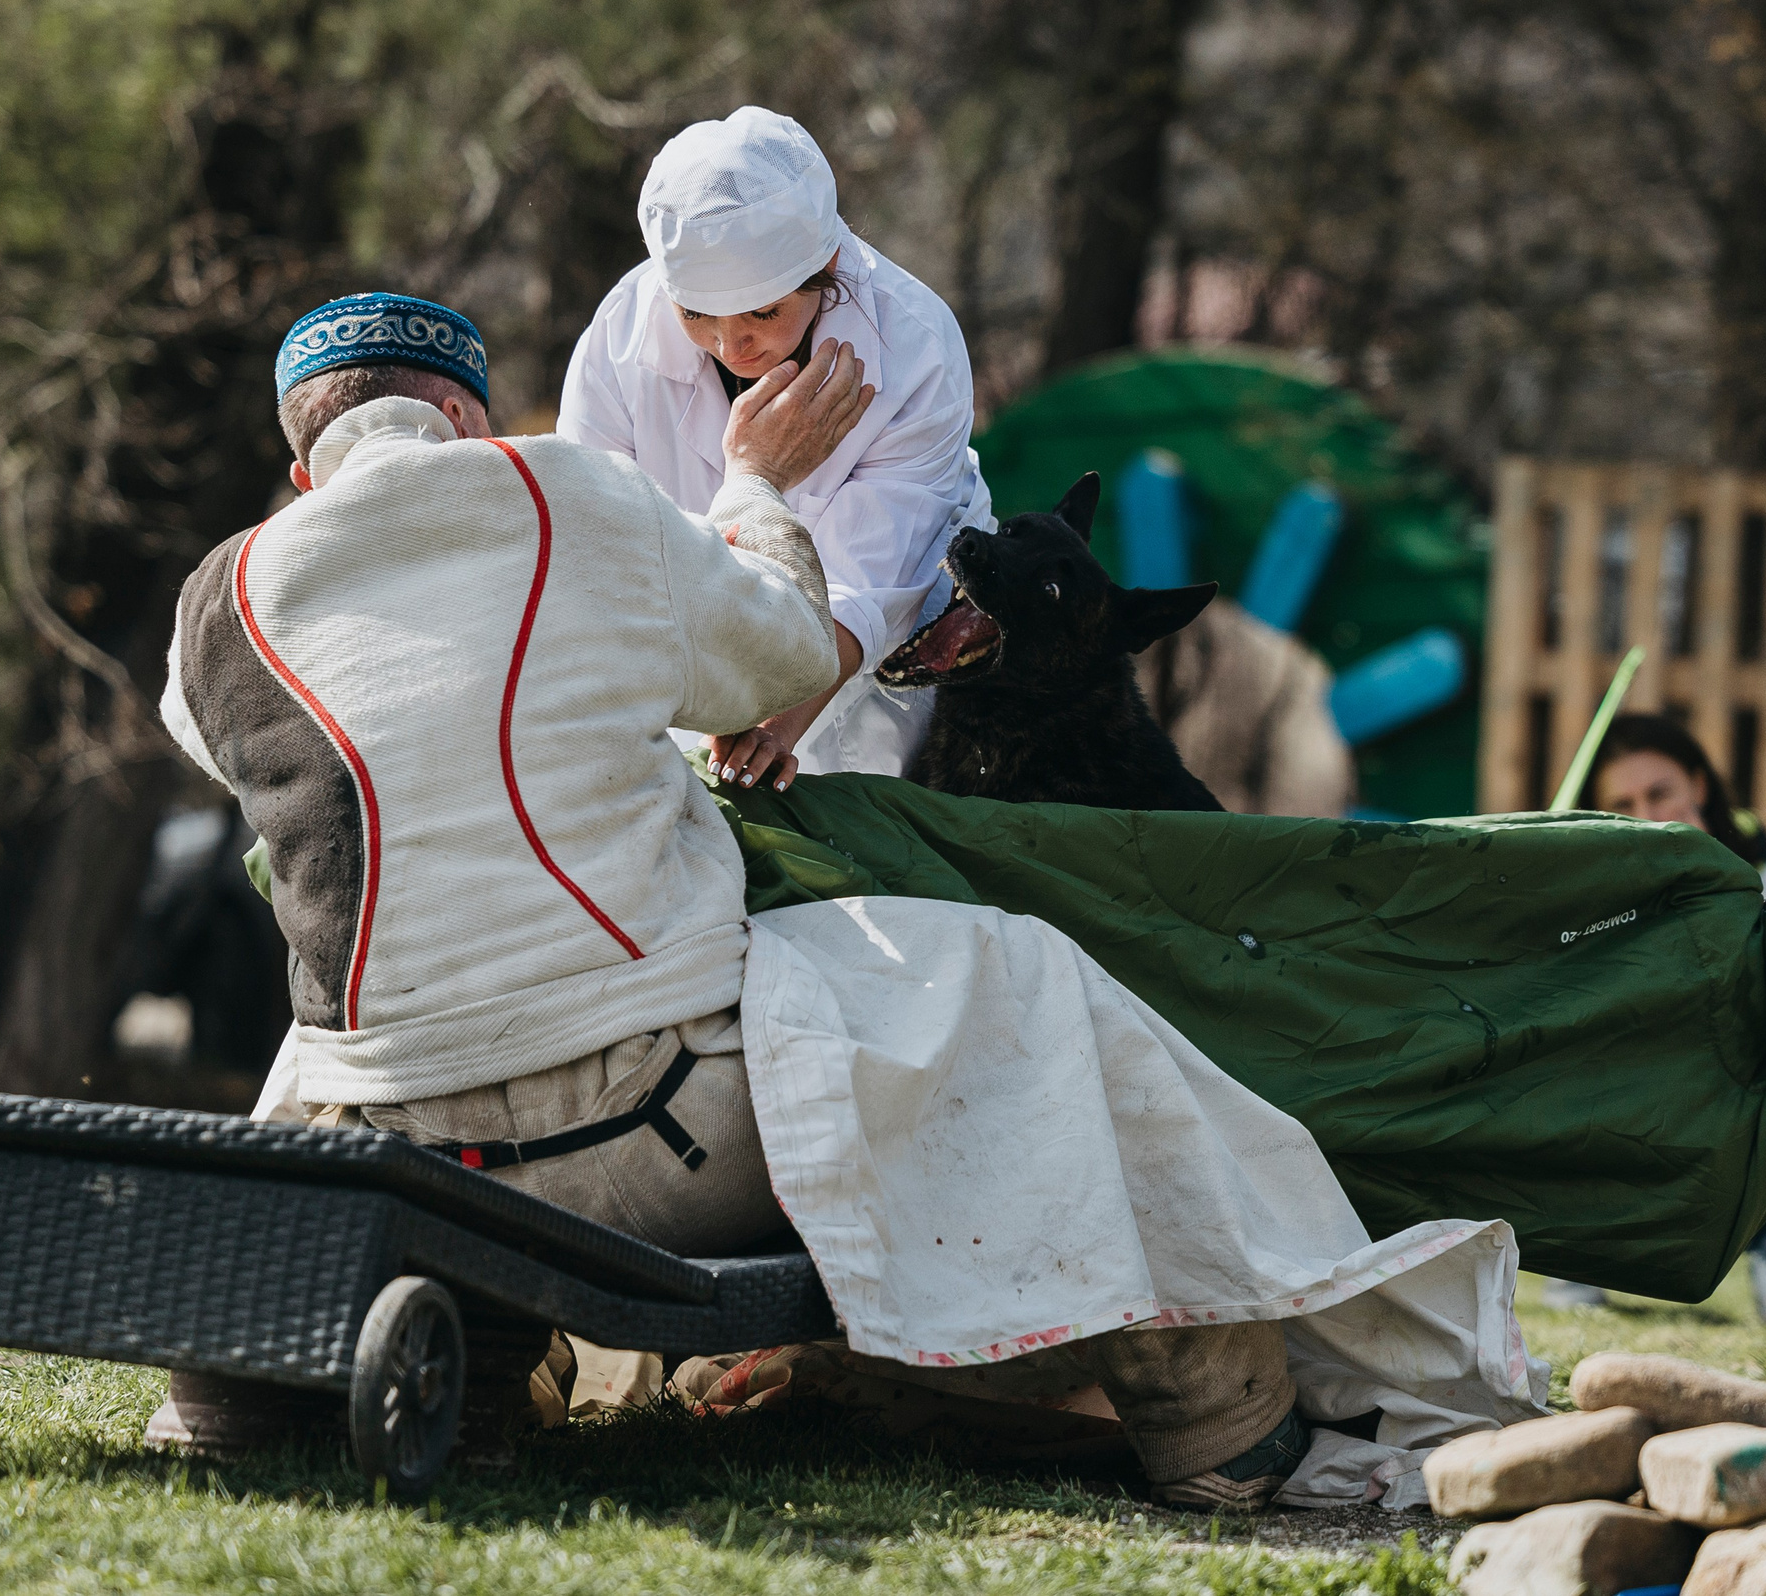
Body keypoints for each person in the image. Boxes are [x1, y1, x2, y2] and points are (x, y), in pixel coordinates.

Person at [150, 290, 1541, 1504]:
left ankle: (482, 1375)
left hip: (403, 1155)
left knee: (346, 1011)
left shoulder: (218, 605)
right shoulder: (568, 494)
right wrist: (754, 482)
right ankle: (1225, 1431)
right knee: (1025, 975)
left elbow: (233, 742)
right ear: (465, 410)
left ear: (298, 462)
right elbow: (772, 660)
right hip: (663, 1130)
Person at [559, 106, 993, 788]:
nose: (732, 347)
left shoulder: (915, 349)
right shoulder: (619, 341)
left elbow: (868, 584)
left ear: (826, 264)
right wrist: (710, 699)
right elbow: (592, 535)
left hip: (876, 672)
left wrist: (774, 723)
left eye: (762, 313)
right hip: (685, 675)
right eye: (695, 314)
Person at [1542, 713, 1766, 1325]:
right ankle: (1579, 1253)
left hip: (1731, 1058)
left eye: (1660, 792)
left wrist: (1707, 872)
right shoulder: (1588, 869)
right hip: (1626, 1055)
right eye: (1623, 803)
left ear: (1698, 785)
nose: (1646, 813)